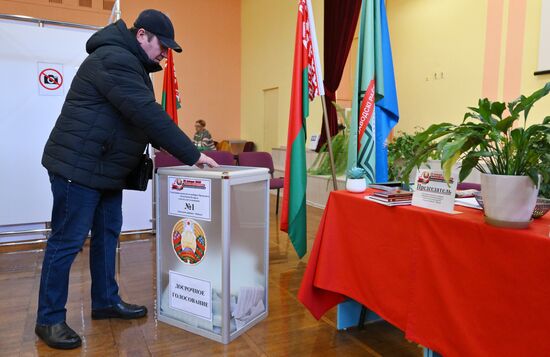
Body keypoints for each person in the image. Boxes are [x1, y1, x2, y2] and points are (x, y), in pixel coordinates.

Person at [35, 9, 218, 350]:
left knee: (107, 236)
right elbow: (146, 114)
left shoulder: (131, 64)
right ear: (141, 35)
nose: (164, 54)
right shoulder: (114, 59)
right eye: (161, 45)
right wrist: (193, 155)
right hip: (78, 168)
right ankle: (48, 318)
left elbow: (135, 119)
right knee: (67, 242)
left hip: (103, 169)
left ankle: (105, 300)